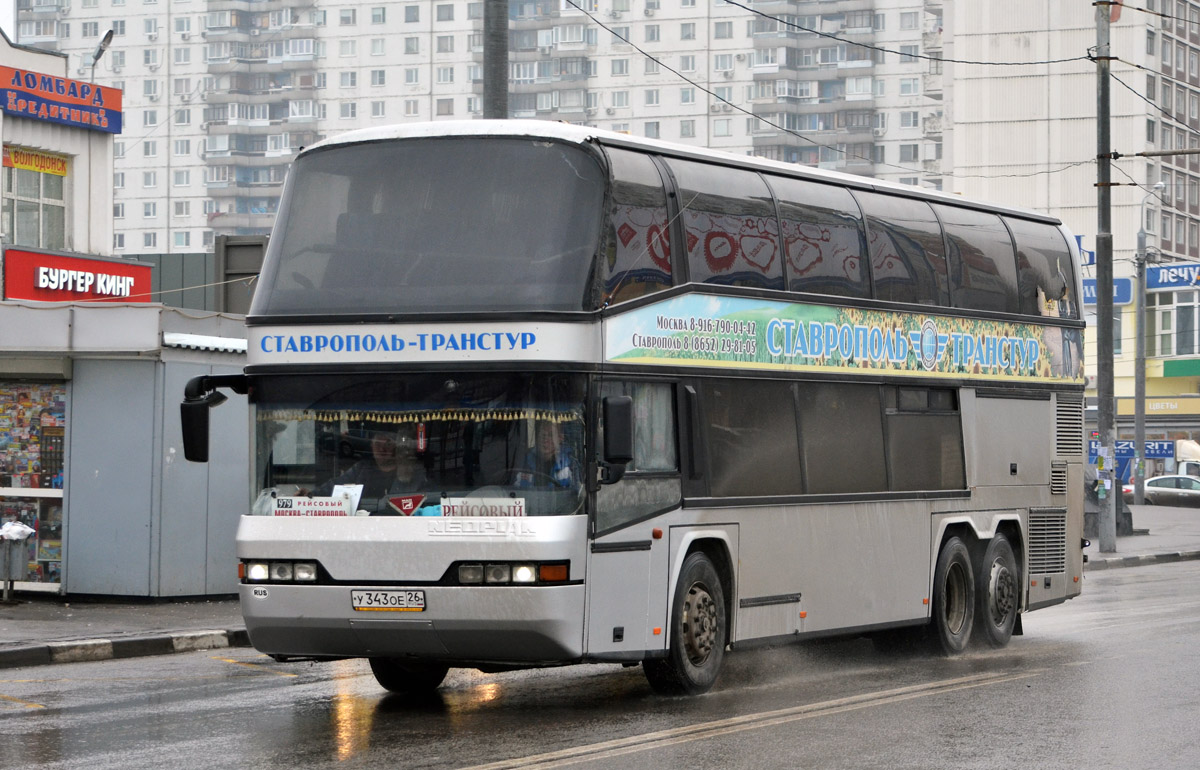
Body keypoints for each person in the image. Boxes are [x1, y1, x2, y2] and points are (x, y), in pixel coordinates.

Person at [311, 422, 429, 500]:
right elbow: (335, 486)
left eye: (387, 443)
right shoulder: (361, 469)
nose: (382, 448)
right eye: (378, 442)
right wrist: (311, 495)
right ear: (371, 445)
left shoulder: (412, 472)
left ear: (396, 447)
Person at [514, 421, 579, 490]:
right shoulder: (525, 461)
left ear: (560, 438)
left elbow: (578, 495)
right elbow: (515, 491)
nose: (545, 440)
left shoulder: (570, 464)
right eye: (543, 435)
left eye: (551, 435)